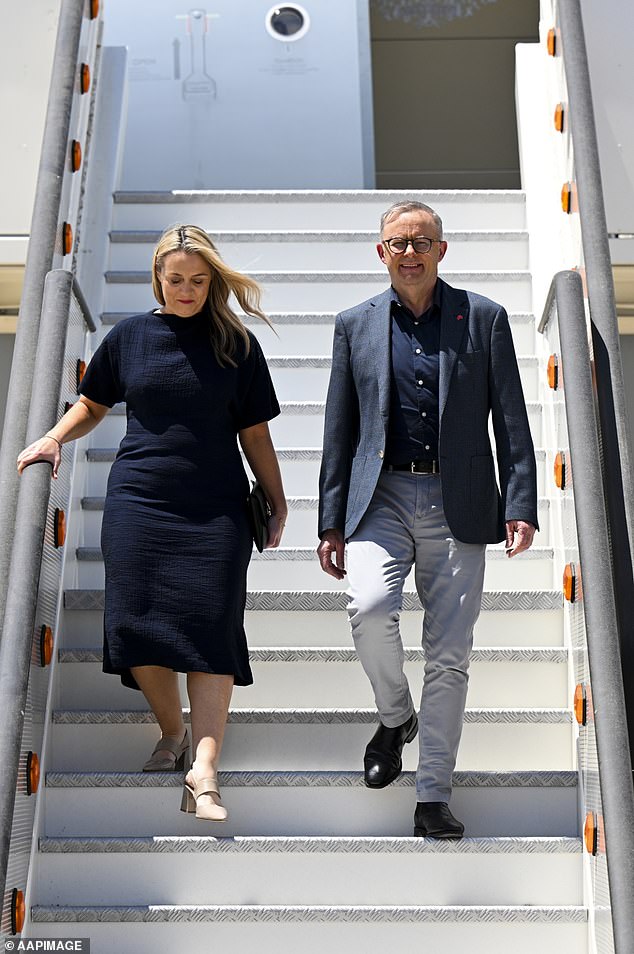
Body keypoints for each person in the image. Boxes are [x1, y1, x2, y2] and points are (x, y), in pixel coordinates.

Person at [17, 224, 287, 823]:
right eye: (176, 280)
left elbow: (256, 433)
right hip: (140, 501)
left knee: (212, 629)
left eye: (198, 280)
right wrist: (53, 439)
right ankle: (173, 732)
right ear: (158, 278)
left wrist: (277, 500)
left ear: (211, 281)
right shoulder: (130, 337)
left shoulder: (235, 344)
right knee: (135, 624)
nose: (187, 290)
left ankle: (204, 771)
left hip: (216, 507)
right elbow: (91, 405)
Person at [317, 200, 537, 839]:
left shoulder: (484, 319)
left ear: (443, 250)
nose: (409, 252)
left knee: (449, 655)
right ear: (379, 252)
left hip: (458, 501)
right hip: (379, 497)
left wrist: (519, 504)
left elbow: (511, 419)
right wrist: (331, 519)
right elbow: (340, 429)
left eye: (421, 241)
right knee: (369, 607)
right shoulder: (353, 325)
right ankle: (395, 716)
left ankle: (433, 795)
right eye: (397, 242)